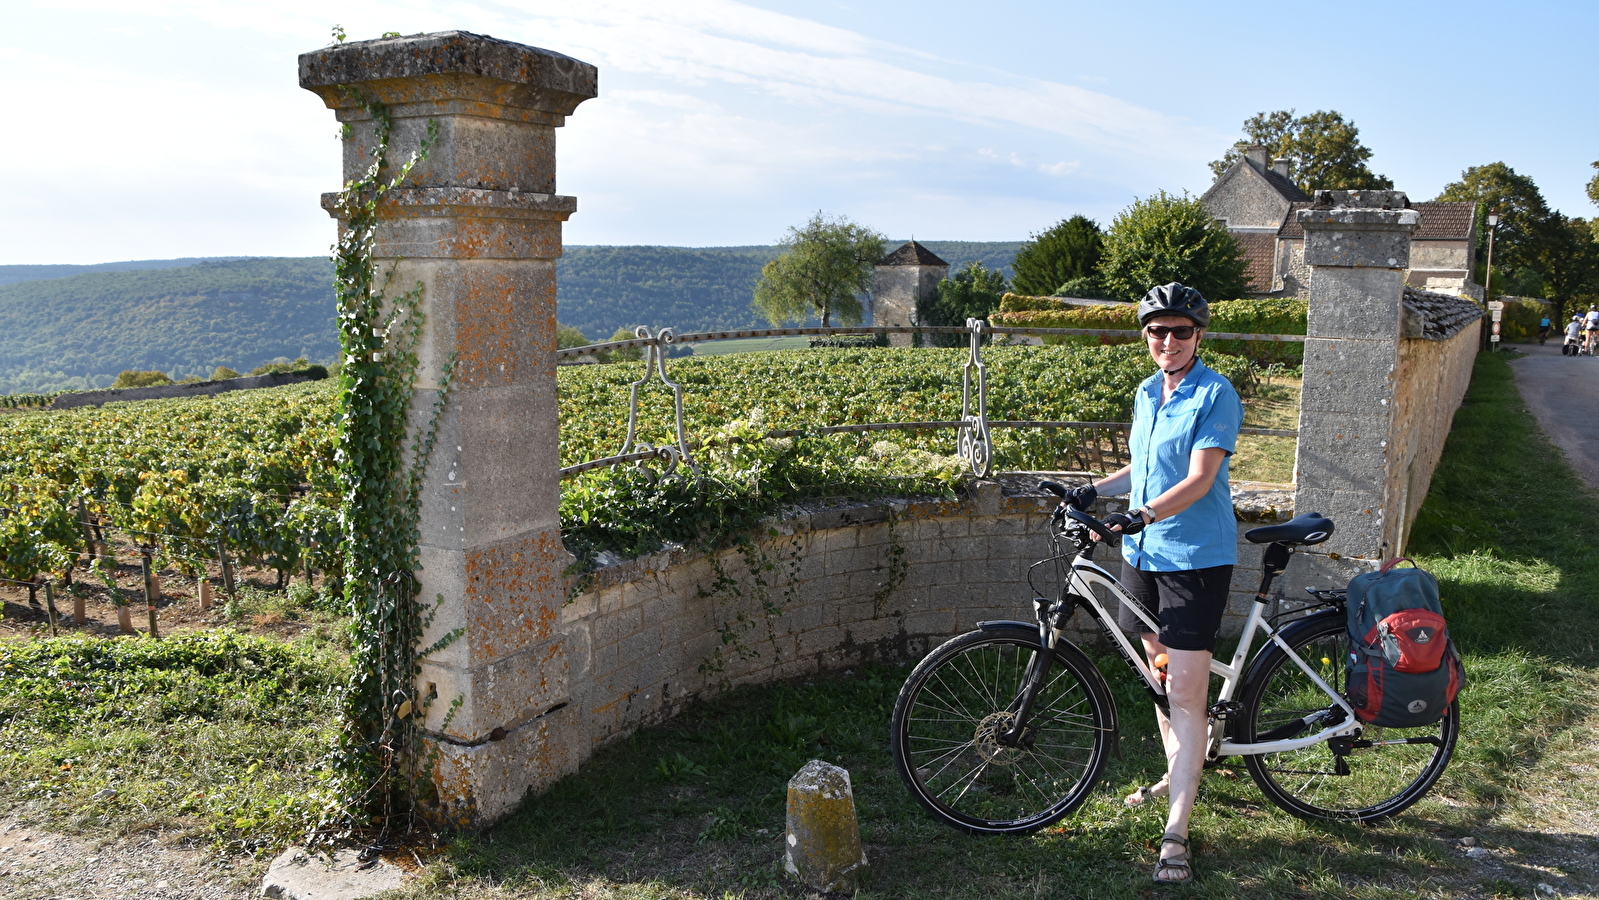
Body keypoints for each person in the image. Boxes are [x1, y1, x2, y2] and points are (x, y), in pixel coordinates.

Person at [1061, 282, 1241, 885]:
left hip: (1194, 556)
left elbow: (1196, 479)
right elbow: (1145, 466)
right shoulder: (1146, 391)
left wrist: (1137, 515)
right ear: (1146, 336)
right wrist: (1095, 491)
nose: (1167, 341)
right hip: (1142, 554)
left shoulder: (1215, 393)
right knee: (1160, 678)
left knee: (1187, 695)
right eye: (1157, 331)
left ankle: (1177, 832)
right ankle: (1176, 770)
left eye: (1180, 331)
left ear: (1199, 335)